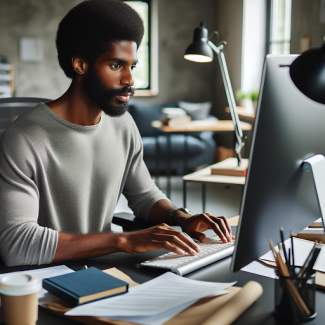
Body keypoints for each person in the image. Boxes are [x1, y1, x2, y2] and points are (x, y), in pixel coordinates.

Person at [0, 0, 234, 267]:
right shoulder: (23, 139)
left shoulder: (123, 125)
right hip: (43, 281)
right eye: (116, 66)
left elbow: (144, 195)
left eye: (132, 66)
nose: (130, 80)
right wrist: (122, 241)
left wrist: (181, 217)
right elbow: (17, 244)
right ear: (80, 65)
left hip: (102, 268)